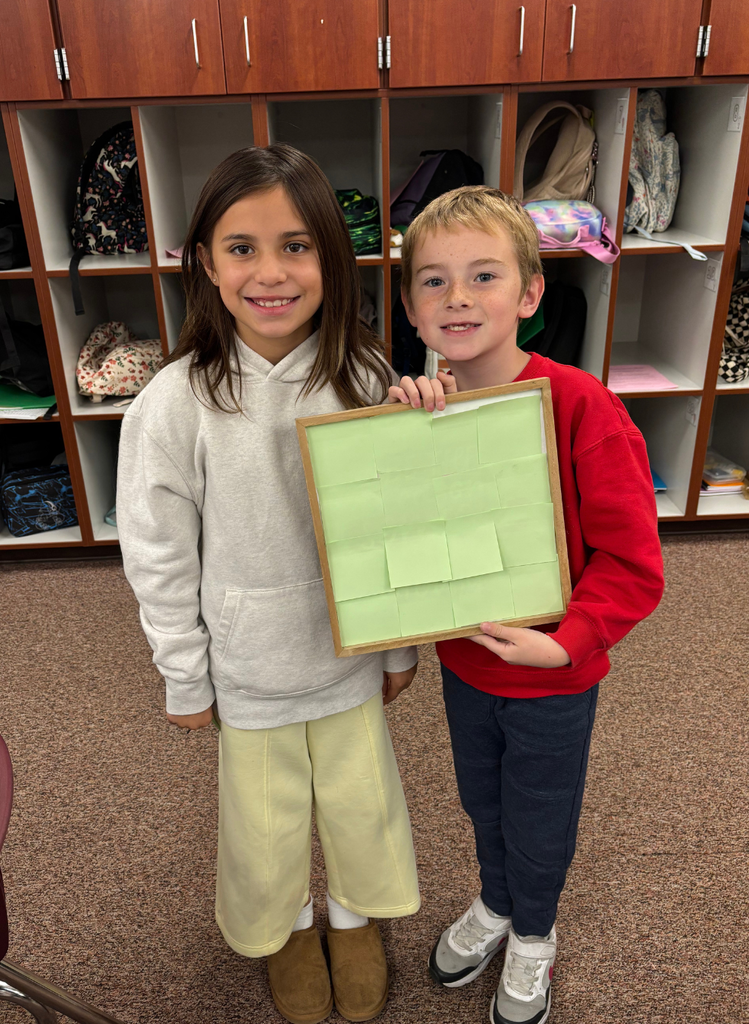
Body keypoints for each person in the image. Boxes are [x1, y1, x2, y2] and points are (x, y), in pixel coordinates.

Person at [116, 144, 420, 1024]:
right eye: (241, 248)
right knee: (264, 821)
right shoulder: (174, 401)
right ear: (207, 265)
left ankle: (354, 921)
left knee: (362, 806)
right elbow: (158, 554)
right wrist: (184, 674)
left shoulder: (365, 377)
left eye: (295, 245)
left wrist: (397, 646)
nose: (271, 273)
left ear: (331, 256)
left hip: (346, 653)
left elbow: (392, 528)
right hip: (246, 666)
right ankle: (286, 928)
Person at [389, 185, 664, 1024]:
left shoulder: (580, 404)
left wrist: (569, 641)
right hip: (467, 662)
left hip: (552, 674)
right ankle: (496, 904)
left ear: (530, 294)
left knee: (539, 819)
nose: (457, 297)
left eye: (483, 276)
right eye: (433, 281)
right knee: (482, 803)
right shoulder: (422, 409)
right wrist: (394, 439)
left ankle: (534, 934)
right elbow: (400, 532)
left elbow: (632, 563)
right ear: (409, 307)